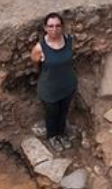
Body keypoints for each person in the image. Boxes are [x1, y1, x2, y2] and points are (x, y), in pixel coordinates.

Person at [30, 12, 77, 151]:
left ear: (61, 27)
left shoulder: (68, 40)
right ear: (45, 28)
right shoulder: (40, 48)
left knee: (64, 112)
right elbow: (35, 64)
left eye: (57, 25)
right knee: (52, 115)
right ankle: (52, 137)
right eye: (50, 26)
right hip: (49, 90)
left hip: (68, 86)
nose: (54, 29)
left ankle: (61, 134)